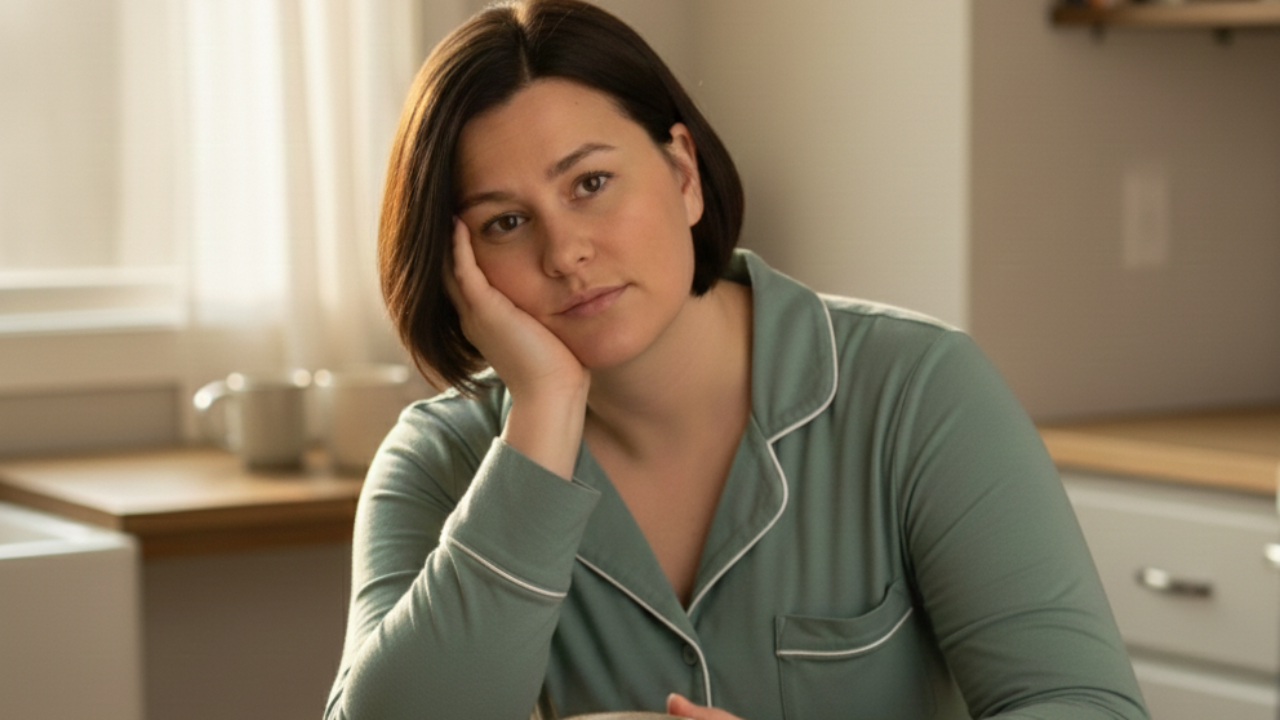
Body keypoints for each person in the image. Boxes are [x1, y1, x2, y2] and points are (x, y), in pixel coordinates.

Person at [324, 2, 1149, 719]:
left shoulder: (917, 390)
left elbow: (1087, 706)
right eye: (505, 223)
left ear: (682, 174)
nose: (565, 251)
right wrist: (540, 412)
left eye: (591, 183)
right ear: (458, 266)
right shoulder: (440, 461)